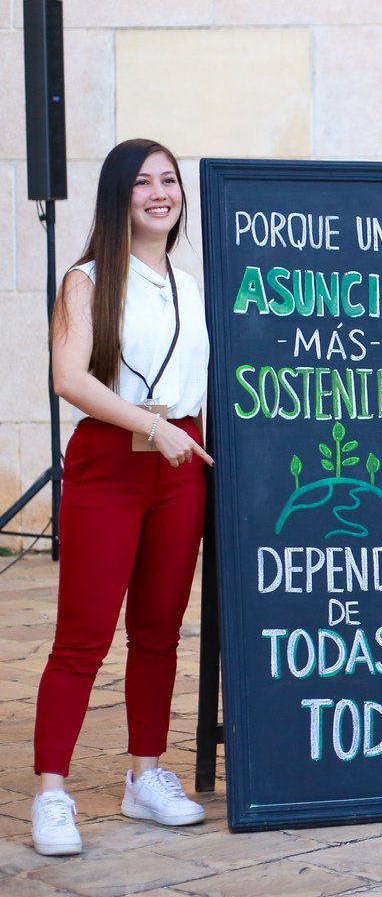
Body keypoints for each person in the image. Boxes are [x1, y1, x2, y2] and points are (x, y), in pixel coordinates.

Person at [31, 139, 213, 856]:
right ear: (119, 196)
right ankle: (51, 791)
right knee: (82, 637)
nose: (160, 193)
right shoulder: (87, 278)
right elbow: (69, 378)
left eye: (169, 181)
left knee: (160, 632)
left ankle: (145, 775)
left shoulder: (192, 284)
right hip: (111, 462)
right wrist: (150, 427)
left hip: (180, 469)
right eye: (144, 183)